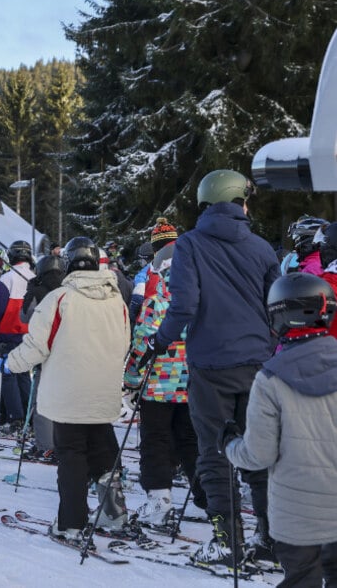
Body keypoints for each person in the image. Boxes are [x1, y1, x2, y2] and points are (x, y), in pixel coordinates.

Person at [144, 168, 279, 566]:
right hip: (258, 364)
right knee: (258, 450)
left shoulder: (190, 245)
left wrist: (160, 339)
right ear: (239, 201)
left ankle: (226, 540)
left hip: (211, 364)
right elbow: (277, 305)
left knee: (214, 452)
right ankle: (269, 539)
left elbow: (184, 304)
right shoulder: (262, 248)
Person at [1, 236, 132, 544]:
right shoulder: (117, 301)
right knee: (103, 450)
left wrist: (10, 364)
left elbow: (36, 347)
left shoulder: (60, 298)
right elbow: (125, 342)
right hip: (103, 390)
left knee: (72, 454)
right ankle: (113, 513)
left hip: (68, 393)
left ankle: (71, 521)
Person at [222, 272, 337, 587]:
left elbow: (258, 454)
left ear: (280, 316)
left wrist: (230, 445)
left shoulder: (270, 378)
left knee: (302, 578)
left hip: (297, 516)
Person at [124, 244, 205, 529]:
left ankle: (159, 498)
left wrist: (131, 379)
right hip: (193, 385)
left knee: (156, 441)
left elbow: (141, 346)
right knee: (190, 441)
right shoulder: (201, 301)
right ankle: (208, 495)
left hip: (157, 386)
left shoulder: (155, 304)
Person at [18, 254, 67, 461]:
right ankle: (62, 442)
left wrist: (31, 292)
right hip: (68, 350)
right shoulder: (69, 290)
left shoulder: (37, 290)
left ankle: (46, 445)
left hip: (45, 350)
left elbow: (25, 316)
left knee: (41, 400)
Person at [0, 239, 37, 434]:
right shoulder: (34, 277)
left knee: (8, 376)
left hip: (7, 333)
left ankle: (15, 417)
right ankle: (28, 415)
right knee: (24, 375)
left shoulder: (8, 278)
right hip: (28, 335)